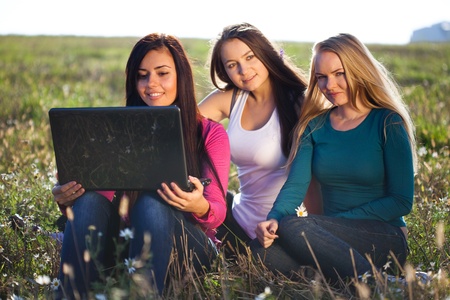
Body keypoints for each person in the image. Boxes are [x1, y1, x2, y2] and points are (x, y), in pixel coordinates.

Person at [52, 33, 230, 298]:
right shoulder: (119, 131)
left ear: (181, 76)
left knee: (150, 201)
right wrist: (69, 198)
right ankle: (72, 295)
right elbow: (98, 203)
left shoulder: (209, 133)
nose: (151, 84)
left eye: (162, 73)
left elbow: (217, 211)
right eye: (142, 75)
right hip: (129, 245)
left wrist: (197, 205)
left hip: (190, 249)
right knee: (88, 202)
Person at [251, 33, 417, 283]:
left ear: (358, 70)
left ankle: (381, 285)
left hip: (384, 236)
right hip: (328, 236)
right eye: (321, 77)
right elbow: (295, 186)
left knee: (296, 227)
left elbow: (401, 201)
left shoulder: (387, 122)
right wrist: (273, 219)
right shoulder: (313, 126)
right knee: (258, 250)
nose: (330, 85)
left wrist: (333, 223)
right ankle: (336, 278)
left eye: (339, 74)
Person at [198, 22, 321, 256]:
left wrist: (318, 235)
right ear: (225, 71)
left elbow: (313, 180)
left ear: (265, 54)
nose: (243, 70)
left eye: (250, 57)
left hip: (278, 231)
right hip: (236, 223)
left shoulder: (299, 103)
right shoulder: (231, 98)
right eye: (233, 65)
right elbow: (179, 127)